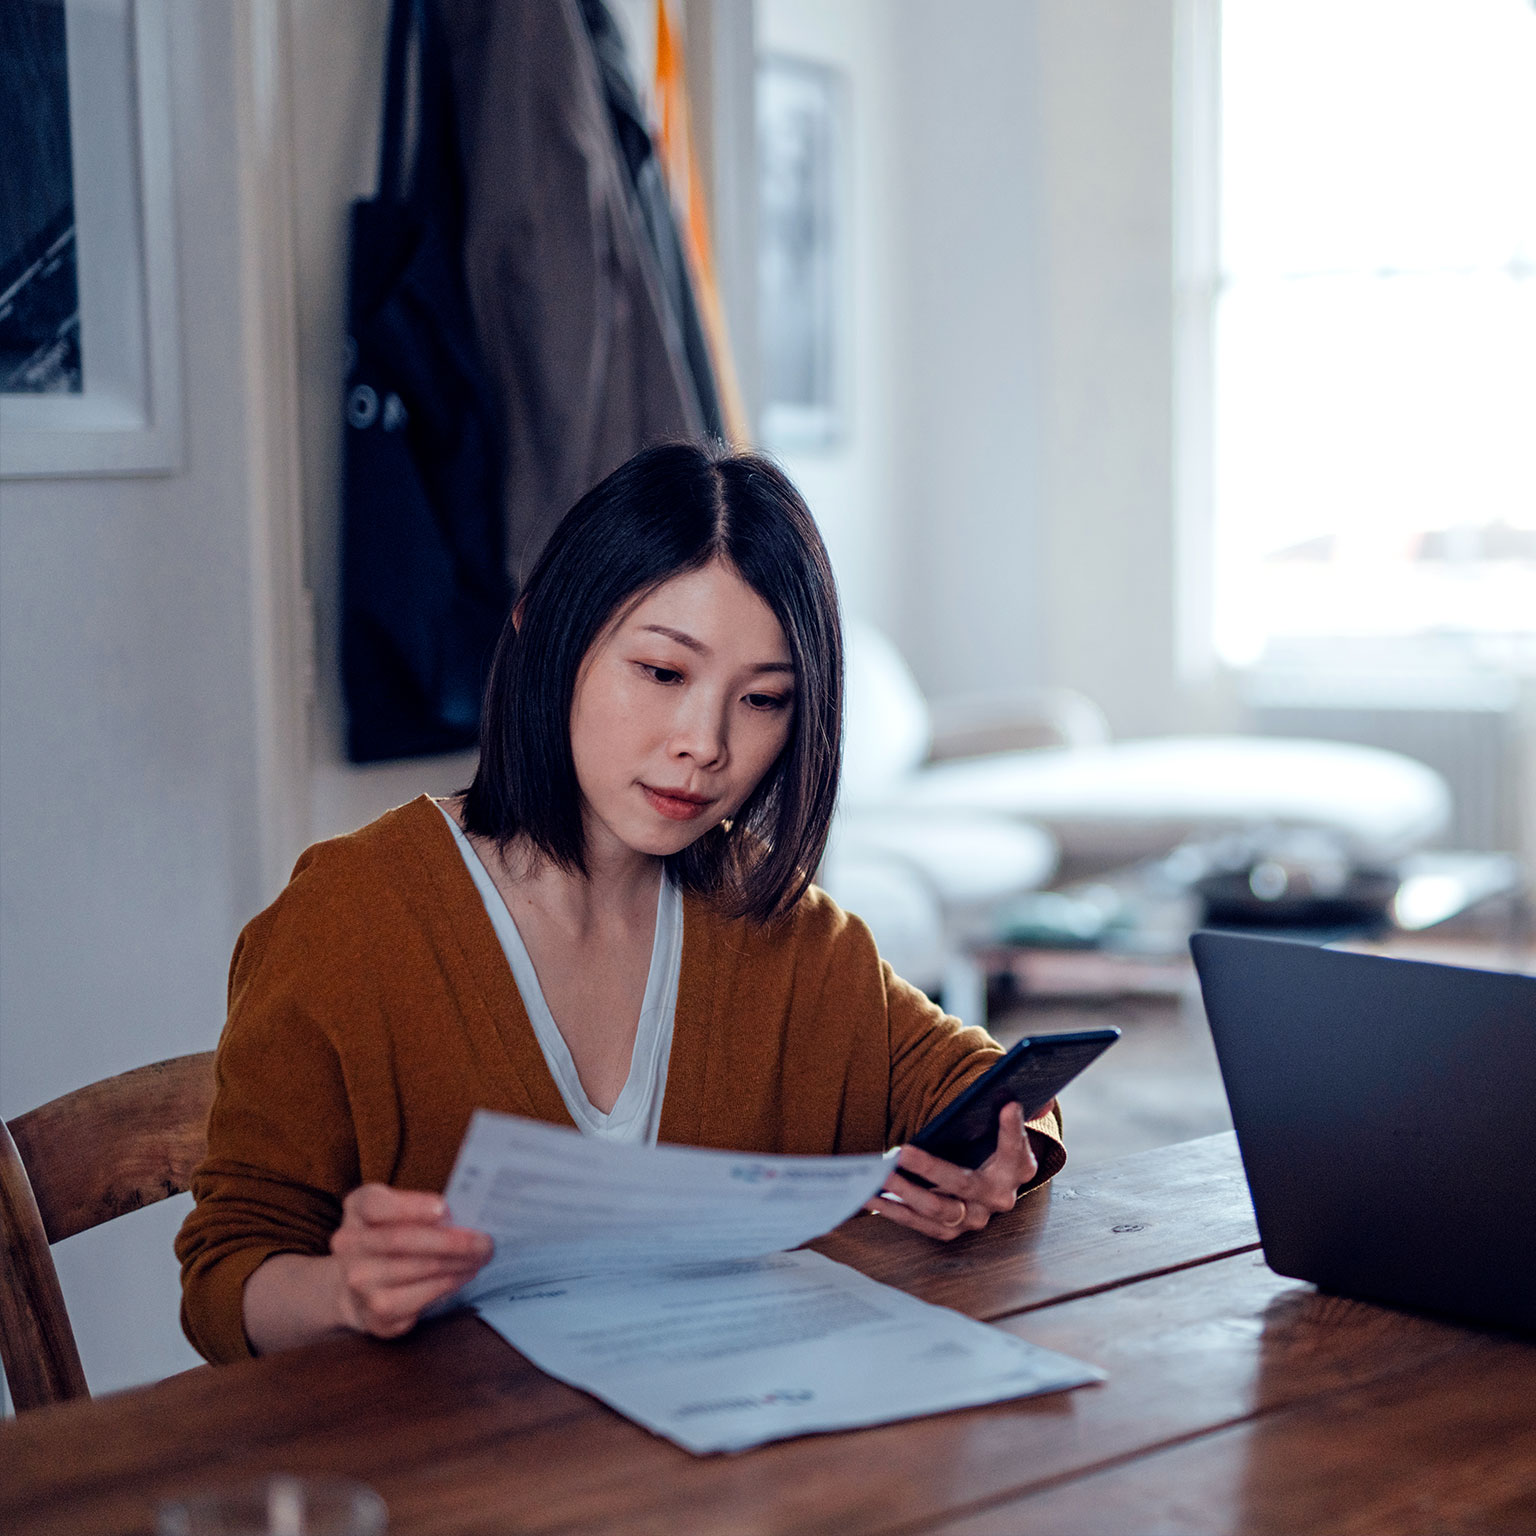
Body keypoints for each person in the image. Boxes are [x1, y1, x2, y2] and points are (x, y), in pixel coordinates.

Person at [175, 442, 1065, 1364]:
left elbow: (988, 1085)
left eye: (762, 700)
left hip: (733, 1470)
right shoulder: (351, 919)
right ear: (543, 632)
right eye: (664, 674)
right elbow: (225, 1276)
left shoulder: (790, 931)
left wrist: (1006, 1150)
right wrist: (342, 1290)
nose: (705, 744)